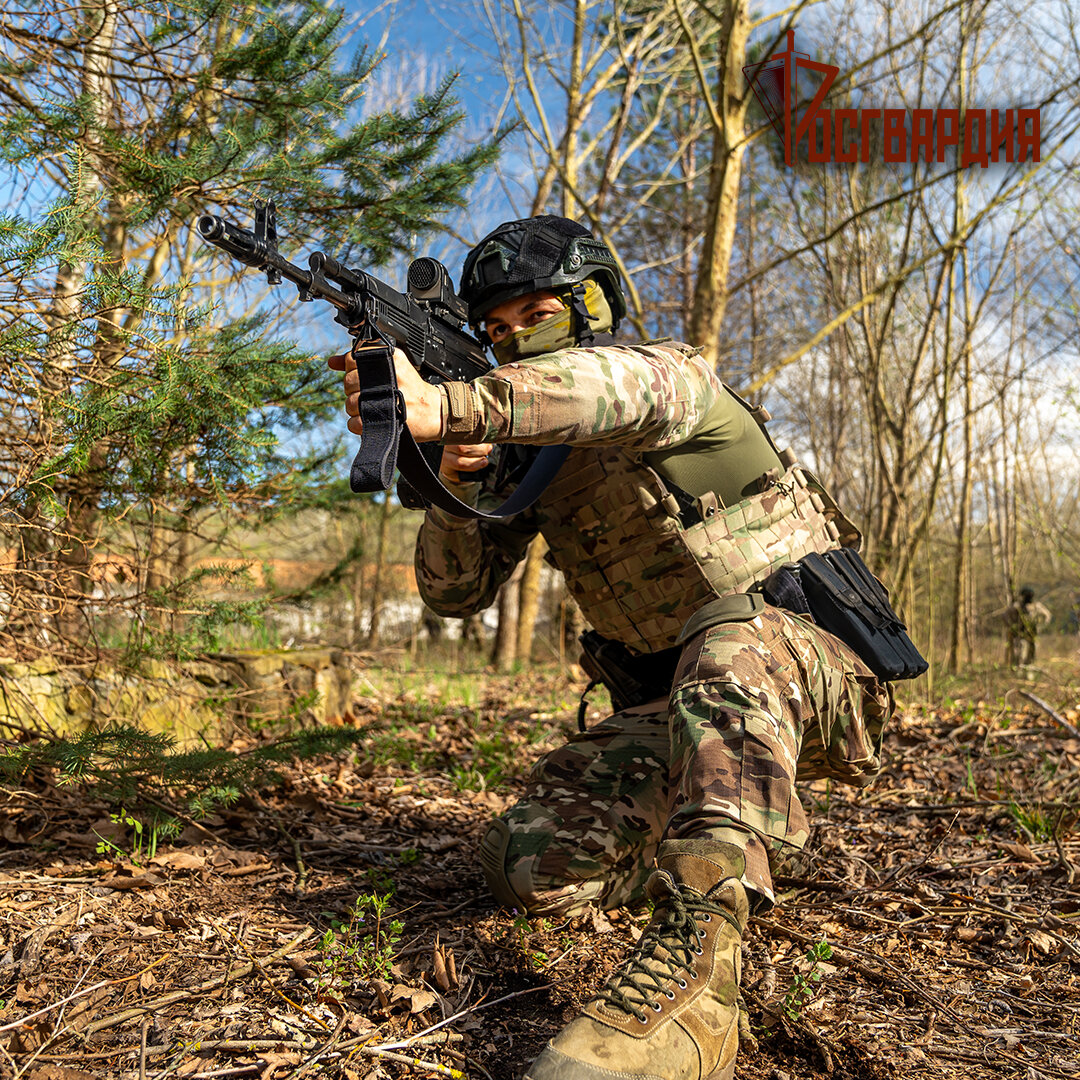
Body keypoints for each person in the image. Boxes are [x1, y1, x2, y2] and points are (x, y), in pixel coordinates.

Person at [330, 216, 894, 1080]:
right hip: (669, 716)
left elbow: (606, 391)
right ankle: (720, 825)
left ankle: (699, 975)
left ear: (593, 304)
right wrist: (458, 475)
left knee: (728, 633)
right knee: (526, 861)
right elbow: (452, 596)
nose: (516, 342)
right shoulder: (529, 460)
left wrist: (448, 402)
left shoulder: (669, 379)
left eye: (537, 317)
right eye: (498, 333)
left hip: (812, 683)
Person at [991, 586, 1052, 669]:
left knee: (1031, 654)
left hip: (1031, 635)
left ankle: (1028, 670)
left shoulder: (1036, 606)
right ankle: (1017, 670)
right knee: (1019, 654)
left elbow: (1047, 616)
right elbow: (1005, 616)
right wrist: (1012, 627)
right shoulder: (1017, 606)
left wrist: (1039, 627)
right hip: (1020, 634)